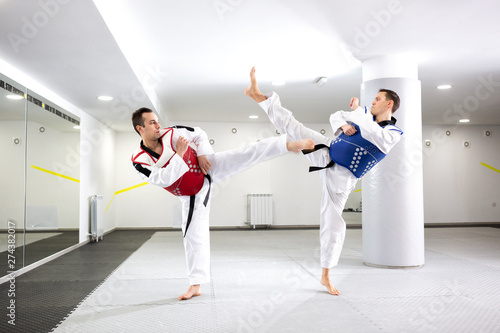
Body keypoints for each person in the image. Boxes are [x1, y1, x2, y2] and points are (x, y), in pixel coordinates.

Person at [245, 67, 403, 295]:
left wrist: (358, 112)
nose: (374, 102)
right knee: (294, 127)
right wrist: (343, 125)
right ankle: (259, 97)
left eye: (378, 99)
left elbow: (374, 135)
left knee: (332, 223)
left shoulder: (393, 132)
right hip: (328, 150)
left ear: (389, 104)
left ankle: (325, 276)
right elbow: (336, 115)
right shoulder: (365, 115)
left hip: (340, 177)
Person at [131, 107, 314, 300]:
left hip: (208, 167)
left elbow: (199, 133)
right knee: (192, 236)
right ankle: (195, 285)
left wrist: (201, 153)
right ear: (140, 128)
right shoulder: (138, 160)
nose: (158, 125)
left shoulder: (171, 133)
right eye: (152, 122)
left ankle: (287, 144)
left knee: (244, 153)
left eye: (157, 120)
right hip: (192, 194)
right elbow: (163, 179)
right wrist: (180, 153)